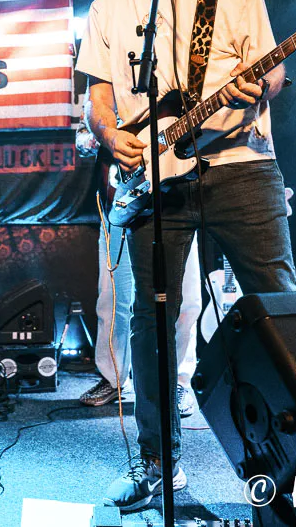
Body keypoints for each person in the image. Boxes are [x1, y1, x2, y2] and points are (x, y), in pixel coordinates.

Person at [72, 0, 296, 513]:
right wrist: (110, 134)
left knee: (278, 308)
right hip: (155, 179)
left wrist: (261, 85)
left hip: (241, 163)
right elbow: (98, 98)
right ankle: (156, 463)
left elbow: (274, 70)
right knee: (151, 321)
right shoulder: (108, 7)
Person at [76, 118, 202, 417]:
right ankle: (113, 378)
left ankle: (178, 381)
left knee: (186, 299)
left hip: (175, 198)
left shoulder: (175, 89)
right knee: (113, 299)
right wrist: (98, 138)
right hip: (123, 199)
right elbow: (82, 139)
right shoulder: (106, 97)